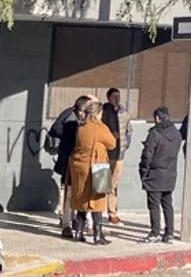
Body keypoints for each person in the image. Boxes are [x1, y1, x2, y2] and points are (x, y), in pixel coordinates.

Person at [70, 95, 119, 245]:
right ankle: (98, 235)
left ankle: (78, 232)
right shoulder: (100, 128)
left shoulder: (81, 128)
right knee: (98, 201)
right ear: (97, 113)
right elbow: (112, 144)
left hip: (80, 167)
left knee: (82, 199)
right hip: (98, 167)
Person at [137, 106, 184, 243]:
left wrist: (143, 172)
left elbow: (147, 155)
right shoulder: (176, 134)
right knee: (167, 204)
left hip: (155, 173)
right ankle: (169, 233)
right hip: (170, 173)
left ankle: (155, 232)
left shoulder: (155, 133)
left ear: (157, 118)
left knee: (154, 204)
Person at [46, 98, 82, 238]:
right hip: (67, 157)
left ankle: (72, 218)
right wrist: (72, 133)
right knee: (66, 189)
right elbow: (56, 128)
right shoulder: (69, 115)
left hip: (74, 158)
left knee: (72, 190)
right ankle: (64, 217)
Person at [100, 87, 132, 226]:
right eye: (114, 96)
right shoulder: (102, 113)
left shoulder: (124, 113)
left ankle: (112, 213)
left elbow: (129, 130)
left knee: (114, 185)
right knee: (101, 183)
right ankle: (97, 213)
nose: (117, 99)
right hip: (105, 154)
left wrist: (126, 144)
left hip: (119, 154)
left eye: (118, 96)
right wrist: (110, 135)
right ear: (108, 98)